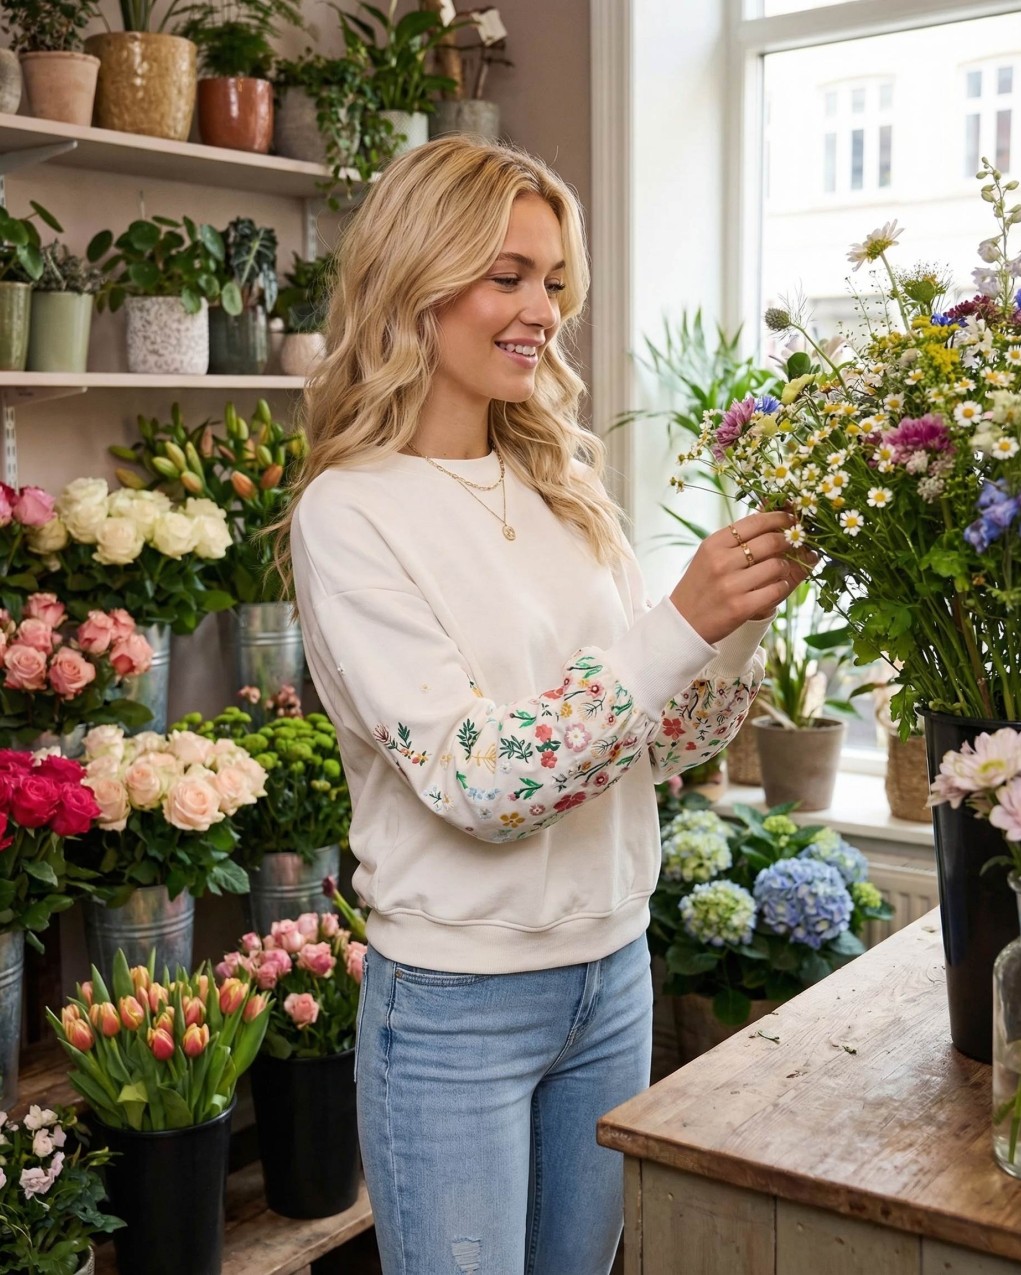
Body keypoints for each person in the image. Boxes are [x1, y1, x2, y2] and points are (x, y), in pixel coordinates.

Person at [275, 135, 811, 1275]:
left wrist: (735, 618)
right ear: (416, 280)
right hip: (455, 1005)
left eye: (555, 282)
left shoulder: (563, 491)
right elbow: (484, 782)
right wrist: (679, 619)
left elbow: (654, 746)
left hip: (612, 976)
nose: (542, 312)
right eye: (507, 275)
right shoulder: (351, 512)